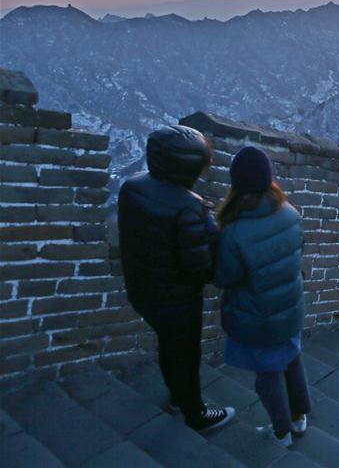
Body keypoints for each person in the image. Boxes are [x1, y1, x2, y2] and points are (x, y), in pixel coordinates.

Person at [118, 125, 235, 432]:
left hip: (142, 290)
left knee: (168, 345)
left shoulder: (132, 187)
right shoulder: (190, 209)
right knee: (184, 354)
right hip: (178, 302)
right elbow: (202, 268)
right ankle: (196, 413)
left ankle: (176, 396)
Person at [215, 146, 310, 447]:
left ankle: (281, 432)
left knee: (268, 376)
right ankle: (299, 417)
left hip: (259, 320)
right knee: (293, 360)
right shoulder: (291, 213)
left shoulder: (234, 232)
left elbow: (225, 278)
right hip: (290, 310)